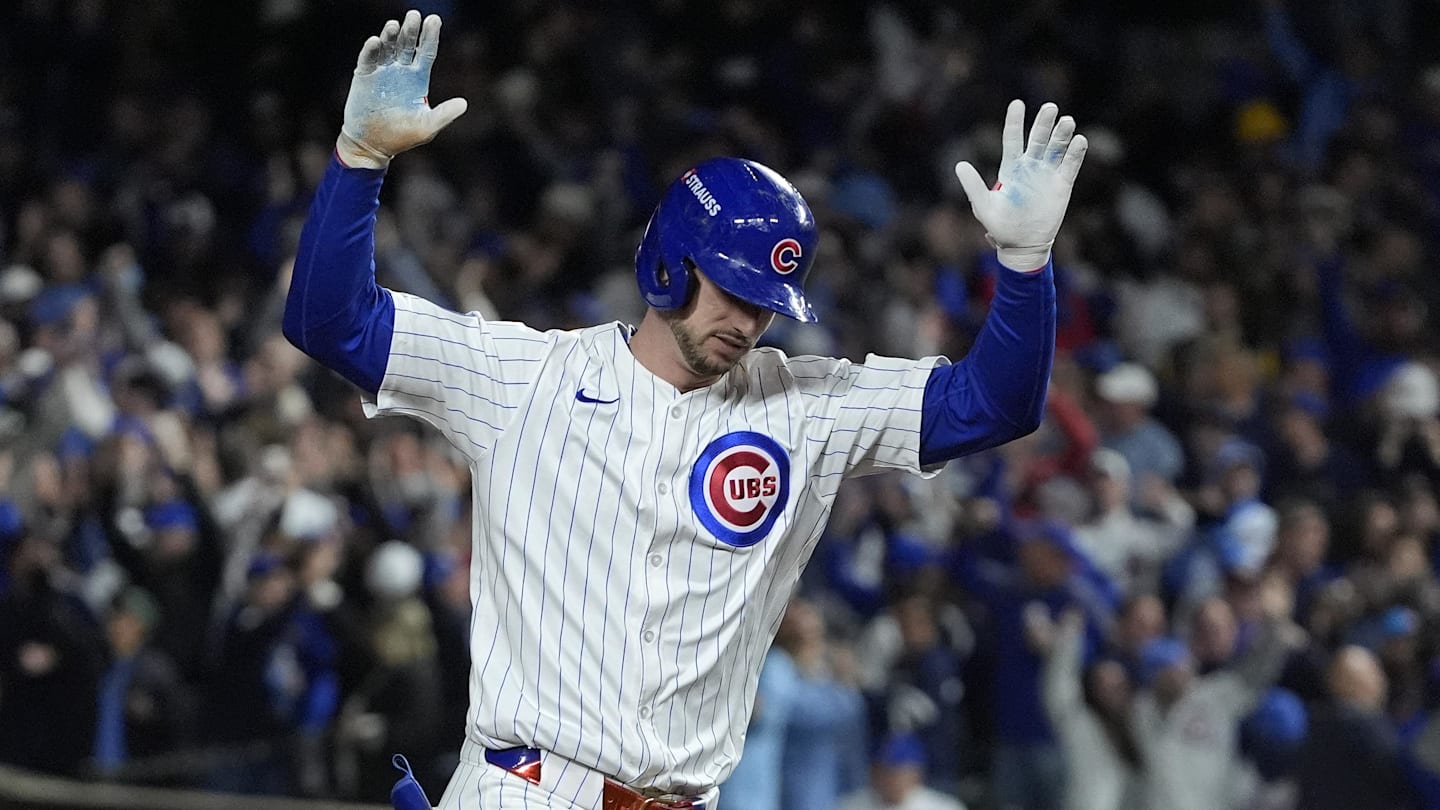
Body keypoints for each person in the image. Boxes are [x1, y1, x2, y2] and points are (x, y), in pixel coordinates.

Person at [284, 10, 1087, 809]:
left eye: (766, 304)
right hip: (527, 789)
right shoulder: (524, 376)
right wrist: (360, 161)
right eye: (732, 290)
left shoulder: (807, 407)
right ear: (670, 264)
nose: (746, 319)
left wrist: (1024, 265)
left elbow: (995, 406)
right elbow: (331, 321)